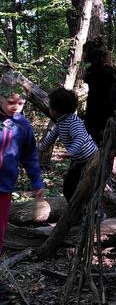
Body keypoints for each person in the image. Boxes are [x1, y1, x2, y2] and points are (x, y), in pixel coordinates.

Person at [0, 82, 45, 257]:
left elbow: (30, 156)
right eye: (11, 102)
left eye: (21, 103)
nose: (16, 107)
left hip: (4, 185)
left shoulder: (23, 125)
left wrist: (37, 181)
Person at [39, 88, 98, 201]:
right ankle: (76, 209)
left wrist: (70, 152)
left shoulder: (73, 122)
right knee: (69, 187)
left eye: (50, 106)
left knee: (83, 187)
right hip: (78, 160)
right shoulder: (62, 122)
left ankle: (91, 211)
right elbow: (51, 137)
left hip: (90, 159)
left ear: (56, 110)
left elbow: (80, 138)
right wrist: (40, 148)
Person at [82, 36, 116, 146]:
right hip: (105, 111)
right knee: (103, 141)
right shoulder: (106, 71)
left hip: (98, 112)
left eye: (84, 52)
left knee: (97, 140)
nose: (83, 55)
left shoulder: (98, 71)